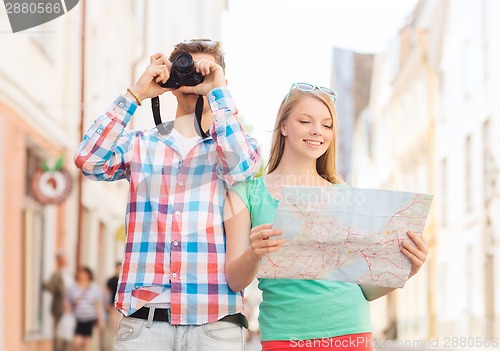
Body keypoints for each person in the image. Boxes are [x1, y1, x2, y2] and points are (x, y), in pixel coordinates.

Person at [74, 39, 260, 351]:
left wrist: (218, 93)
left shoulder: (234, 146)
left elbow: (243, 168)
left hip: (214, 326)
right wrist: (136, 94)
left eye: (204, 73)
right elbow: (88, 160)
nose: (194, 81)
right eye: (187, 71)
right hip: (144, 325)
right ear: (172, 80)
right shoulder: (140, 144)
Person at [223, 82, 429, 351]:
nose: (317, 131)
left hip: (351, 333)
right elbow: (235, 280)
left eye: (326, 125)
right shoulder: (245, 194)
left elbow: (364, 291)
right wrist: (254, 253)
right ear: (283, 126)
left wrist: (405, 270)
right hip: (285, 337)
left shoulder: (345, 195)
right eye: (305, 121)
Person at [64, 266, 105, 351]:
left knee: (87, 344)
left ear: (89, 275)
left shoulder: (95, 288)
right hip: (77, 319)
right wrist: (69, 313)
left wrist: (101, 319)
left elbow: (98, 305)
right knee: (77, 342)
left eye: (84, 273)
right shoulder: (73, 288)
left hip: (90, 319)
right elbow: (67, 302)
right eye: (80, 273)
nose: (81, 275)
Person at [43, 252, 73, 351]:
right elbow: (50, 287)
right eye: (62, 259)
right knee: (58, 332)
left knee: (68, 331)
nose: (64, 261)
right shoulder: (56, 274)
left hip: (70, 308)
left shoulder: (69, 273)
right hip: (59, 307)